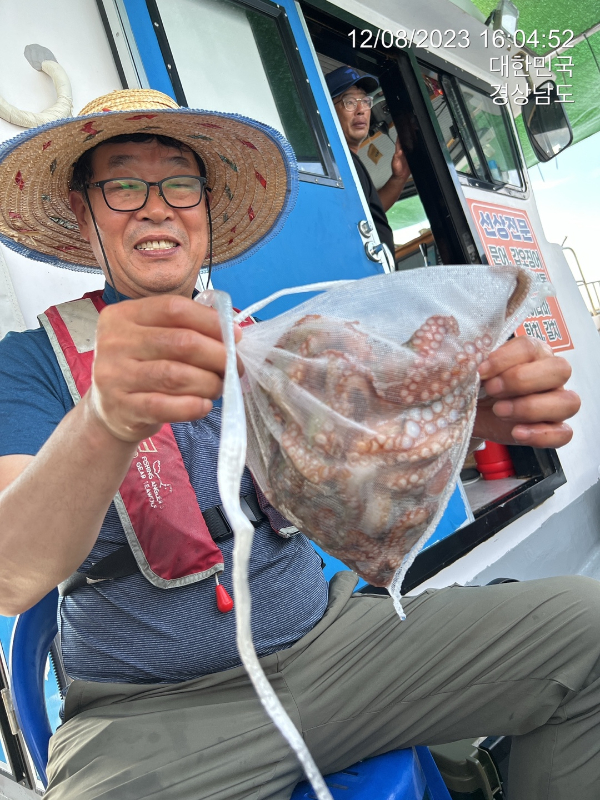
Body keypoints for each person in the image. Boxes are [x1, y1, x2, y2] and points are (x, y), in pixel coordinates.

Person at [0, 89, 593, 800]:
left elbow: (367, 465)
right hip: (150, 711)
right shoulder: (29, 363)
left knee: (587, 632)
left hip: (334, 647)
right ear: (82, 210)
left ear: (205, 209)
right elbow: (13, 577)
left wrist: (465, 411)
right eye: (123, 185)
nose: (156, 207)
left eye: (180, 184)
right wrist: (102, 419)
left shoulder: (274, 346)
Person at [325, 65, 410, 260]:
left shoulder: (351, 162)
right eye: (349, 102)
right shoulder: (336, 163)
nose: (361, 110)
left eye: (365, 101)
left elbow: (367, 214)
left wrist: (399, 178)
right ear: (328, 110)